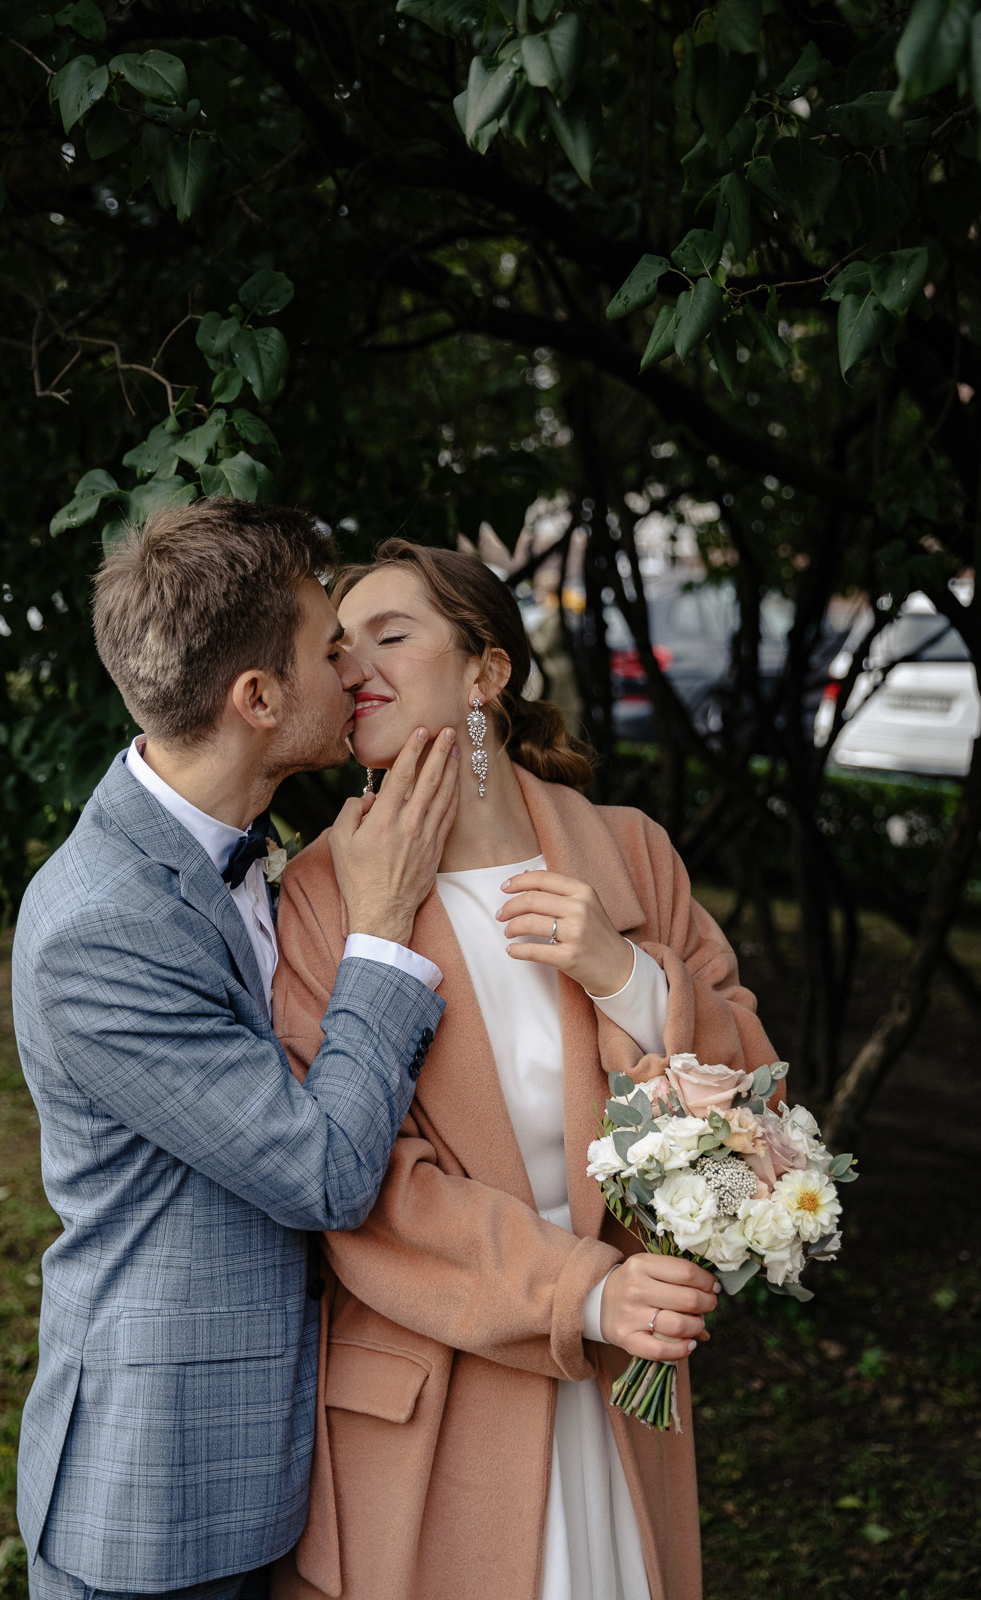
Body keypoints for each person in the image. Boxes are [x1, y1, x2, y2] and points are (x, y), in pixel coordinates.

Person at [270, 540, 779, 1600]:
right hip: (439, 1414)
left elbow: (762, 1100)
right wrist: (586, 1295)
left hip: (620, 1403)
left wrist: (629, 978)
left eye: (392, 635)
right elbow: (361, 1191)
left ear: (485, 673)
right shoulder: (320, 894)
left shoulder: (630, 853)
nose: (354, 663)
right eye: (338, 644)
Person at [10, 502, 462, 1600]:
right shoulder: (98, 927)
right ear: (256, 699)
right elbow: (319, 1172)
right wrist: (382, 934)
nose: (355, 658)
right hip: (157, 1489)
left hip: (285, 1455)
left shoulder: (253, 848)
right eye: (327, 646)